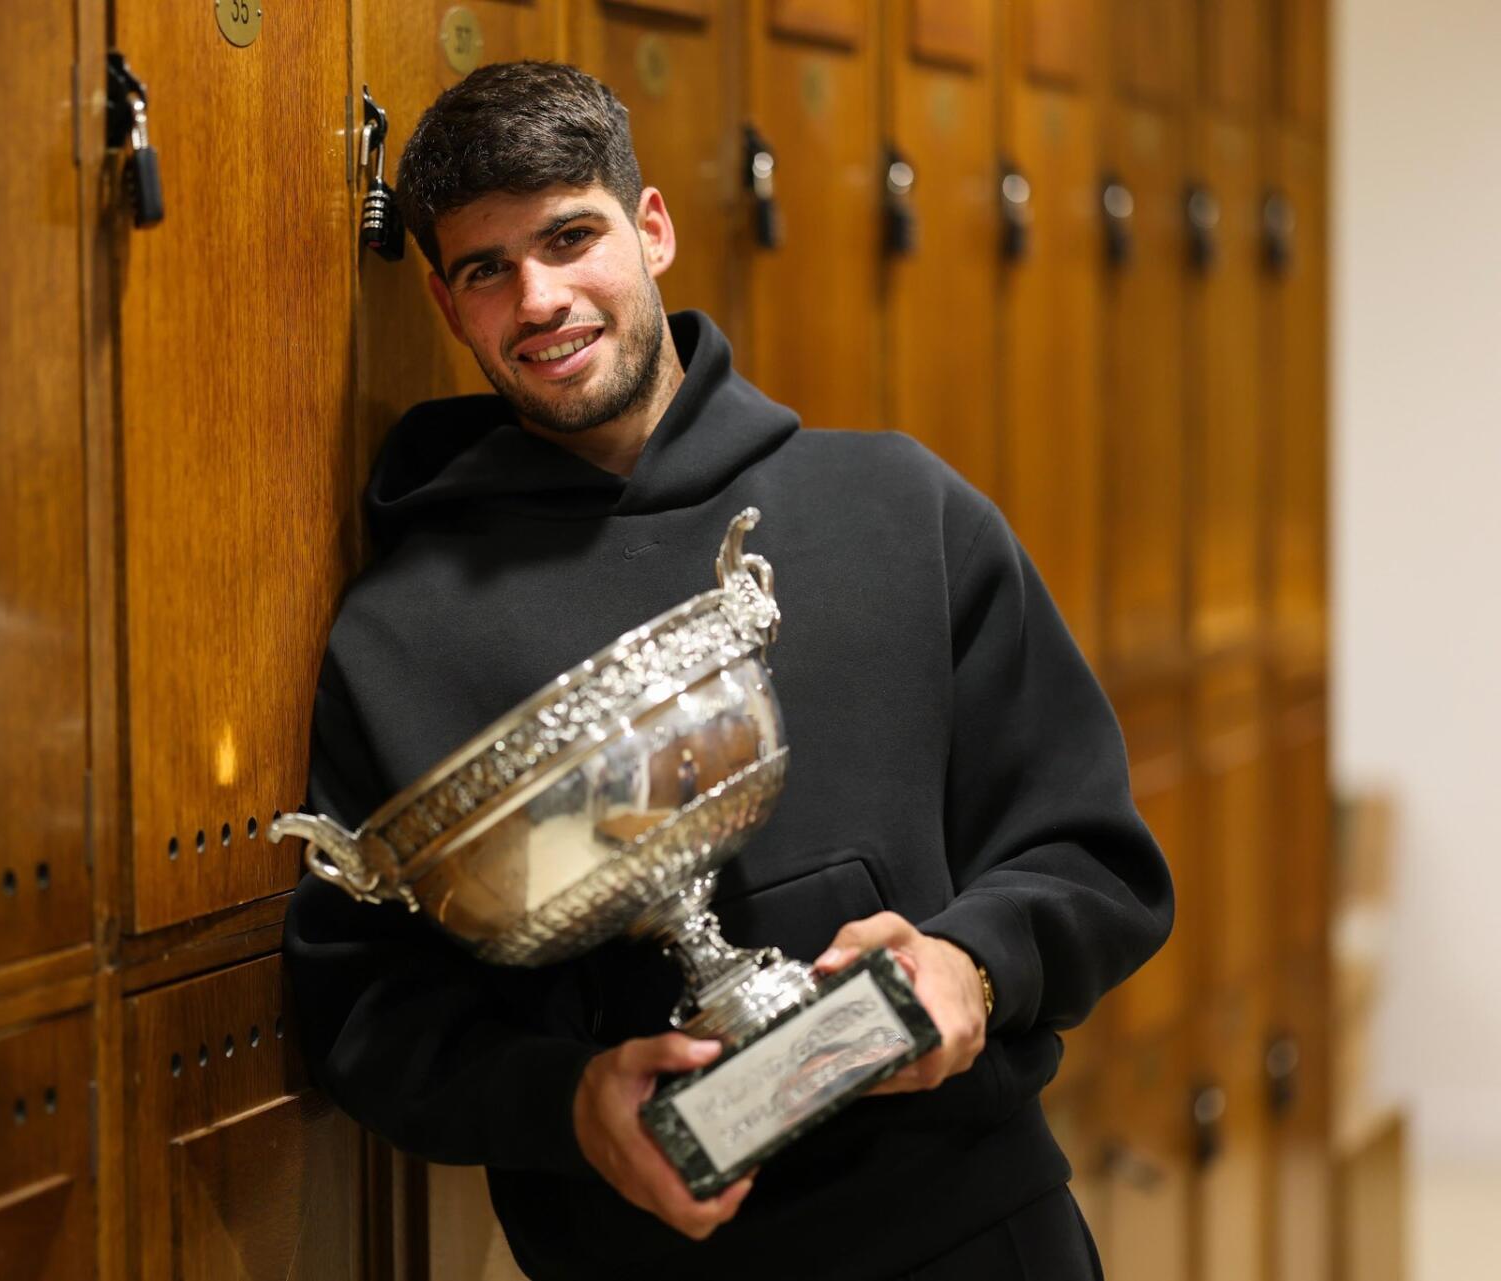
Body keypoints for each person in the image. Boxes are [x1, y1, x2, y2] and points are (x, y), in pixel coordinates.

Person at [282, 60, 1172, 1280]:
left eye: (569, 236)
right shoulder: (399, 632)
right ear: (448, 305)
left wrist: (977, 962)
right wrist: (567, 1101)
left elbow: (1093, 855)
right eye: (488, 268)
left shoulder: (898, 508)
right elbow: (363, 1002)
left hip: (977, 1234)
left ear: (651, 232)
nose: (539, 298)